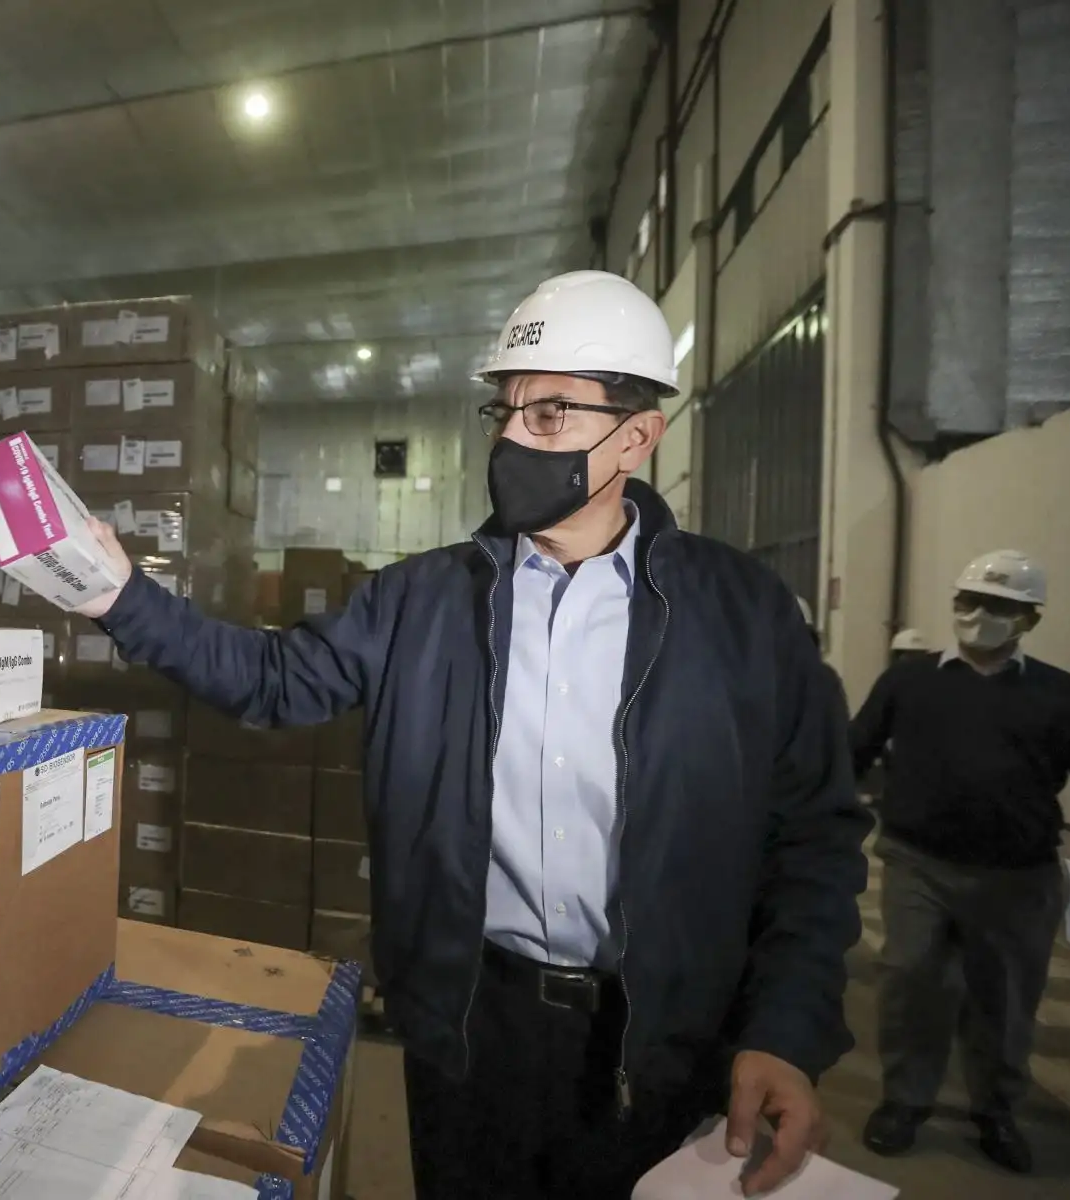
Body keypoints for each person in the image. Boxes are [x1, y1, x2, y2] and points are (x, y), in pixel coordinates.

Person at [74, 270, 871, 1199]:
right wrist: (119, 597)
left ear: (637, 436)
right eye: (505, 412)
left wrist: (786, 1029)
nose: (512, 438)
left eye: (551, 415)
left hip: (663, 1037)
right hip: (464, 1024)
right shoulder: (422, 599)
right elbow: (275, 681)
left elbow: (814, 836)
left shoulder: (742, 615)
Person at [851, 550, 1070, 1174]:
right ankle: (904, 1100)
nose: (978, 616)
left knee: (1003, 999)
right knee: (910, 977)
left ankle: (995, 1111)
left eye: (999, 606)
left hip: (1017, 878)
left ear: (1029, 618)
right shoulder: (910, 681)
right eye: (968, 601)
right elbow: (853, 750)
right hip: (917, 863)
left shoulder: (1065, 697)